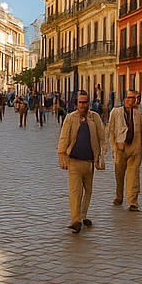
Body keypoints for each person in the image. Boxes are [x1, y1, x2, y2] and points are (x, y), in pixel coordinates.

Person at [57, 89, 106, 233]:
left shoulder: (95, 118)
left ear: (88, 103)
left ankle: (83, 215)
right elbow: (64, 138)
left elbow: (102, 138)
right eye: (80, 102)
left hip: (90, 162)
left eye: (85, 102)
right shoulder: (70, 118)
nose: (83, 105)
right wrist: (62, 156)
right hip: (74, 162)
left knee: (88, 191)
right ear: (76, 103)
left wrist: (101, 158)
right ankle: (76, 219)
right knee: (75, 191)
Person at [108, 89, 142, 211]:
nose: (133, 100)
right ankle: (119, 195)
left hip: (135, 147)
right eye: (130, 98)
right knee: (119, 174)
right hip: (120, 147)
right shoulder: (116, 112)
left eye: (135, 98)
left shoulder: (139, 114)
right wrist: (114, 148)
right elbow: (110, 130)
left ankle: (133, 201)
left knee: (134, 175)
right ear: (125, 99)